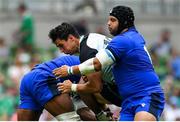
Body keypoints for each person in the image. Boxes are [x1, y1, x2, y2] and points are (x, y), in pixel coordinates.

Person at [53, 6, 165, 121]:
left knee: (86, 82)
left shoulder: (124, 40)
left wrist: (70, 72)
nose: (108, 23)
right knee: (86, 80)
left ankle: (102, 116)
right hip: (128, 101)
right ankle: (104, 115)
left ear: (124, 21)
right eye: (109, 20)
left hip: (146, 95)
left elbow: (96, 64)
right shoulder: (128, 38)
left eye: (113, 20)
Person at [48, 22, 122, 120]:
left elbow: (96, 87)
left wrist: (71, 87)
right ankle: (106, 114)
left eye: (61, 45)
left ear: (71, 38)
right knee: (85, 78)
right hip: (128, 82)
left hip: (127, 90)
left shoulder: (86, 52)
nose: (62, 50)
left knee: (82, 87)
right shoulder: (91, 38)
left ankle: (102, 118)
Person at [17, 55, 96, 121]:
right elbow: (86, 96)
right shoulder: (92, 68)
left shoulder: (86, 61)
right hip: (41, 77)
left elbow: (83, 112)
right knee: (71, 119)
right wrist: (101, 113)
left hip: (28, 79)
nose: (62, 50)